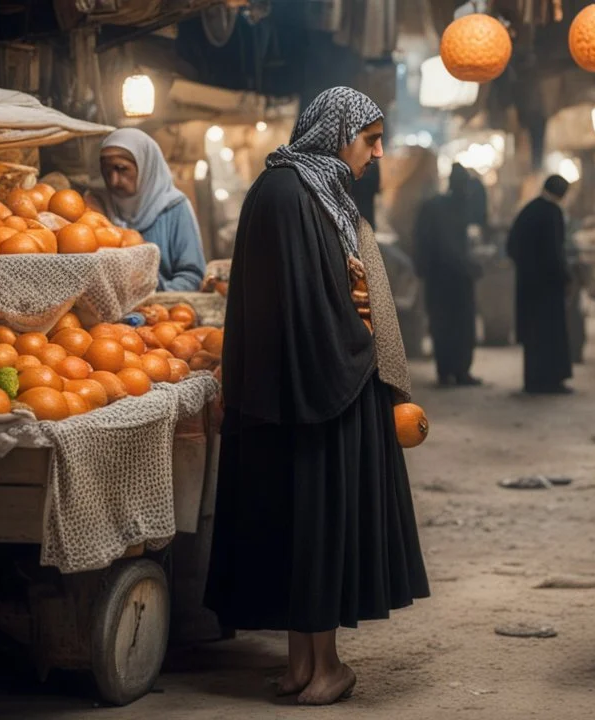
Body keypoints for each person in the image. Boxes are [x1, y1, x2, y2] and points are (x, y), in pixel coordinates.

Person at [206, 87, 429, 706]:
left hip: (283, 393)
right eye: (370, 139)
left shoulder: (283, 186)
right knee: (321, 526)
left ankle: (303, 665)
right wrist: (362, 345)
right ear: (337, 134)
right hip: (322, 392)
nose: (379, 151)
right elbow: (317, 305)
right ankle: (325, 667)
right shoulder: (300, 195)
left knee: (300, 526)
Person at [89, 128, 207, 291]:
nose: (114, 181)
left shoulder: (175, 208)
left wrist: (155, 296)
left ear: (146, 166)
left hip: (166, 309)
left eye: (122, 169)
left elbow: (192, 276)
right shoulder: (99, 208)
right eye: (107, 171)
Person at [414, 164, 481, 386]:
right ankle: (458, 371)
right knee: (457, 326)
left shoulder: (434, 206)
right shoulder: (452, 208)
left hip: (440, 279)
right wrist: (469, 267)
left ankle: (447, 372)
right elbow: (448, 247)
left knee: (443, 325)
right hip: (452, 278)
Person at [507, 175, 574, 394]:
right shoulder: (552, 213)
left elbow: (511, 246)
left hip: (528, 286)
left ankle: (533, 381)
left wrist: (527, 268)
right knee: (550, 334)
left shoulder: (529, 210)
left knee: (533, 335)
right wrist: (565, 277)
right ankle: (551, 381)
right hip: (548, 288)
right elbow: (555, 252)